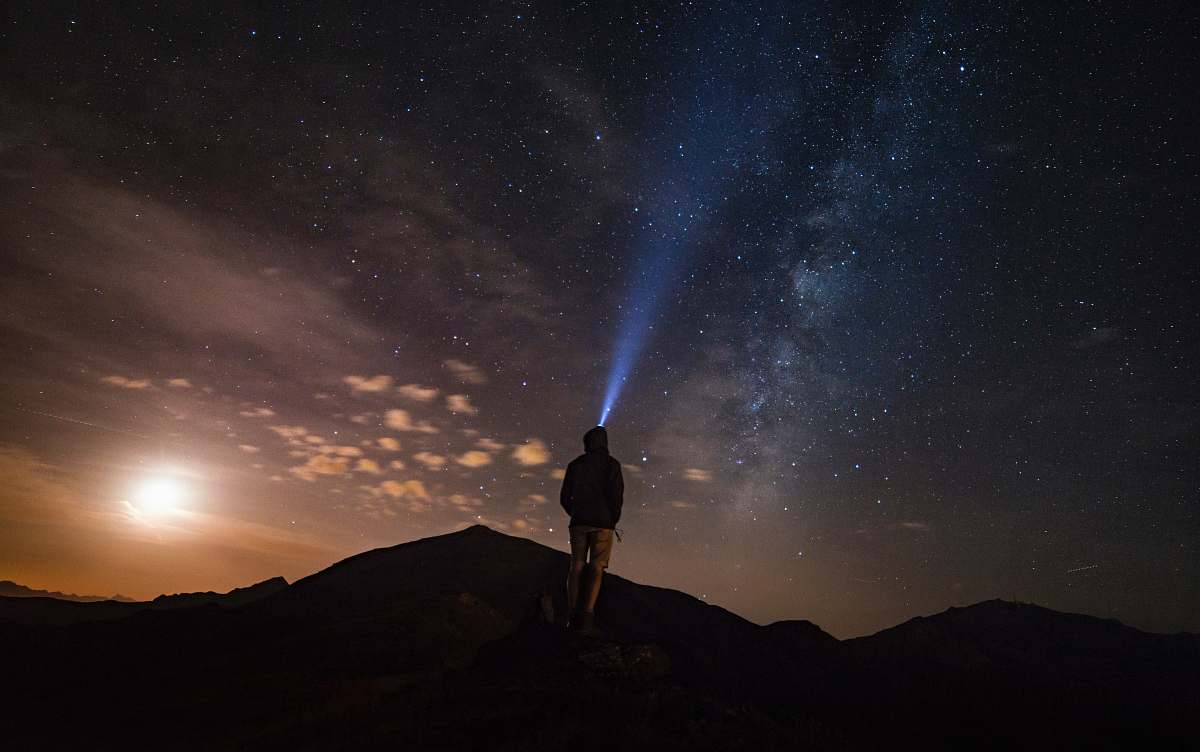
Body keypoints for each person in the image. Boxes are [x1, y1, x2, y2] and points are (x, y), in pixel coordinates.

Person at [559, 425, 623, 634]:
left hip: (579, 521)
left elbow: (564, 497)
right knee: (596, 568)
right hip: (603, 524)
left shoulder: (575, 465)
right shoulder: (612, 465)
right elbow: (616, 496)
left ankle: (571, 614)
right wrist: (612, 519)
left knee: (576, 565)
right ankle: (587, 615)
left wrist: (576, 513)